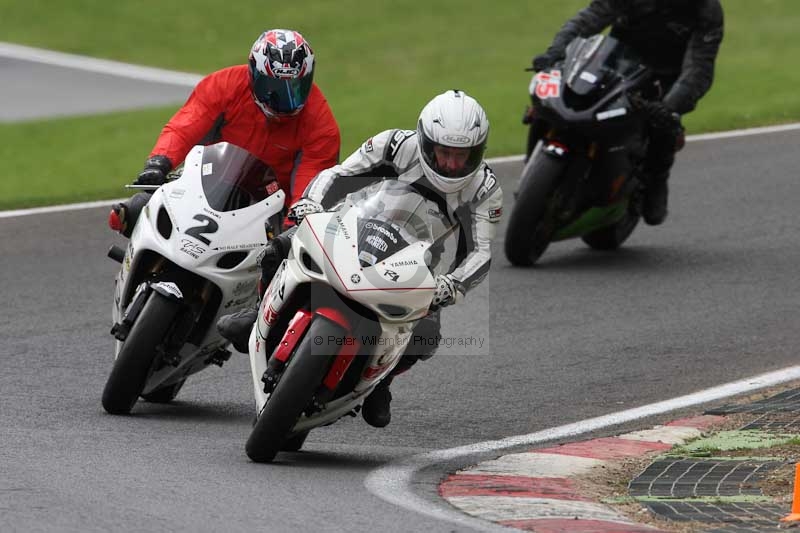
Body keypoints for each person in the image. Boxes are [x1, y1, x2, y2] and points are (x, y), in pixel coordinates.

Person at [218, 89, 503, 428]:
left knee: (426, 335)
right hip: (354, 225)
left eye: (463, 156)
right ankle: (259, 310)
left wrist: (453, 284)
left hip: (419, 265)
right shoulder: (395, 145)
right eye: (445, 153)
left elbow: (482, 252)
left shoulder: (485, 189)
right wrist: (311, 203)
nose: (453, 164)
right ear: (427, 143)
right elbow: (339, 174)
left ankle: (381, 381)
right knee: (278, 247)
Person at [108, 28, 340, 237]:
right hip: (210, 187)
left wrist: (293, 227)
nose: (285, 101)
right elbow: (186, 125)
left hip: (271, 210)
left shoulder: (321, 122)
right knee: (136, 210)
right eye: (274, 89)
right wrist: (159, 162)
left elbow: (310, 182)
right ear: (254, 75)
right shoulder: (223, 85)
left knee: (289, 258)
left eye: (295, 88)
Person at [530, 0, 724, 225]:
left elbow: (700, 66)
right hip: (616, 62)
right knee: (560, 90)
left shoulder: (706, 9)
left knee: (665, 125)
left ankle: (656, 180)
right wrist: (556, 51)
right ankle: (539, 155)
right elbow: (592, 17)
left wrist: (670, 106)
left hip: (664, 79)